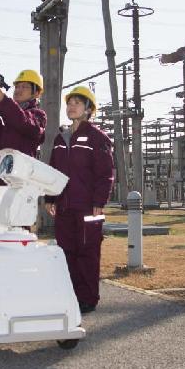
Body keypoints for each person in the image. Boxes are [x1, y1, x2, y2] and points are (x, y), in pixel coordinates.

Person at [44, 85, 114, 314]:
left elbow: (106, 174)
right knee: (66, 251)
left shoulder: (97, 138)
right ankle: (70, 295)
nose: (71, 106)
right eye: (70, 103)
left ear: (88, 109)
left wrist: (99, 203)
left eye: (77, 103)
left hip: (89, 208)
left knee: (88, 252)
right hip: (64, 207)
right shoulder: (60, 137)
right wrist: (50, 197)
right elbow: (54, 171)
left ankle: (87, 299)